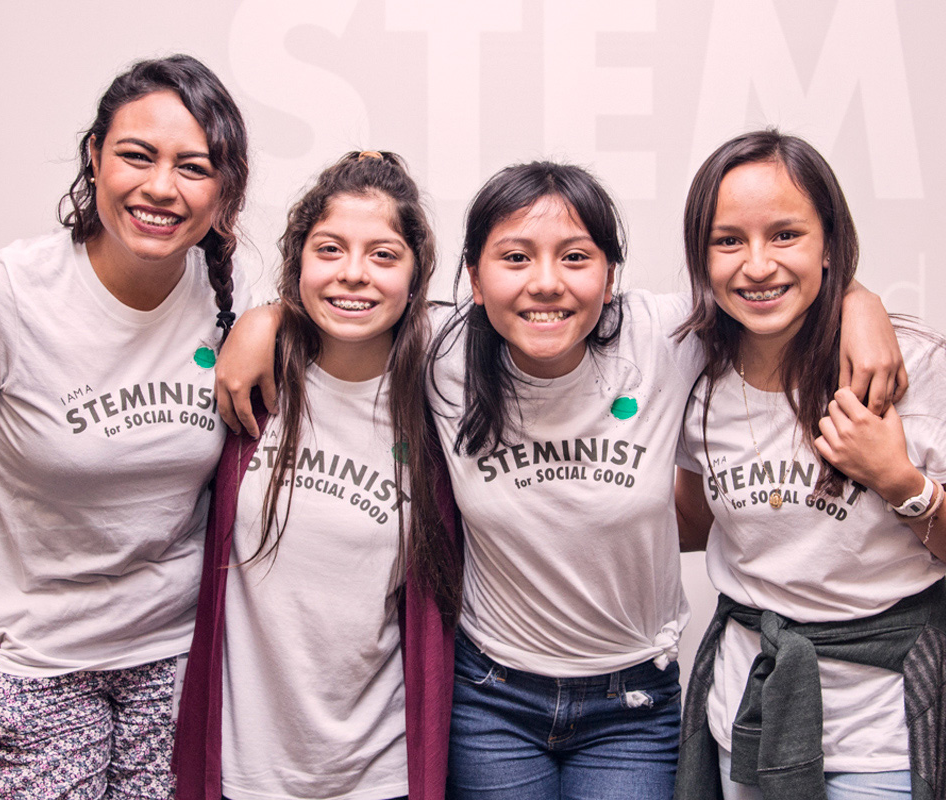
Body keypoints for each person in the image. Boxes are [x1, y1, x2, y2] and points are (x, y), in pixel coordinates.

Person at [214, 160, 903, 800]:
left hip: (631, 708)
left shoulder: (662, 340)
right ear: (475, 281)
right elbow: (350, 308)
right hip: (493, 701)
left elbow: (765, 286)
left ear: (610, 277)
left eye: (575, 257)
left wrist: (856, 300)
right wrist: (262, 318)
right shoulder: (442, 356)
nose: (546, 281)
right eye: (515, 258)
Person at [0, 54, 249, 799]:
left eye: (194, 166)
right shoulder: (7, 294)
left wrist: (269, 319)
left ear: (224, 189)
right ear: (95, 156)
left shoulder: (229, 298)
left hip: (178, 660)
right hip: (36, 668)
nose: (160, 188)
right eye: (136, 156)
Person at [172, 151, 462, 800]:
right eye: (329, 249)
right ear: (298, 260)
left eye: (384, 255)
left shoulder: (441, 394)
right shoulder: (253, 379)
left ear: (416, 276)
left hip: (379, 774)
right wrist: (262, 318)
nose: (353, 275)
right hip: (247, 771)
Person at [673, 130, 945, 800]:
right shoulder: (693, 368)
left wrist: (899, 481)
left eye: (786, 235)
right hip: (746, 717)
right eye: (728, 240)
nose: (757, 265)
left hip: (880, 735)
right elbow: (694, 519)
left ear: (830, 242)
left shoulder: (911, 364)